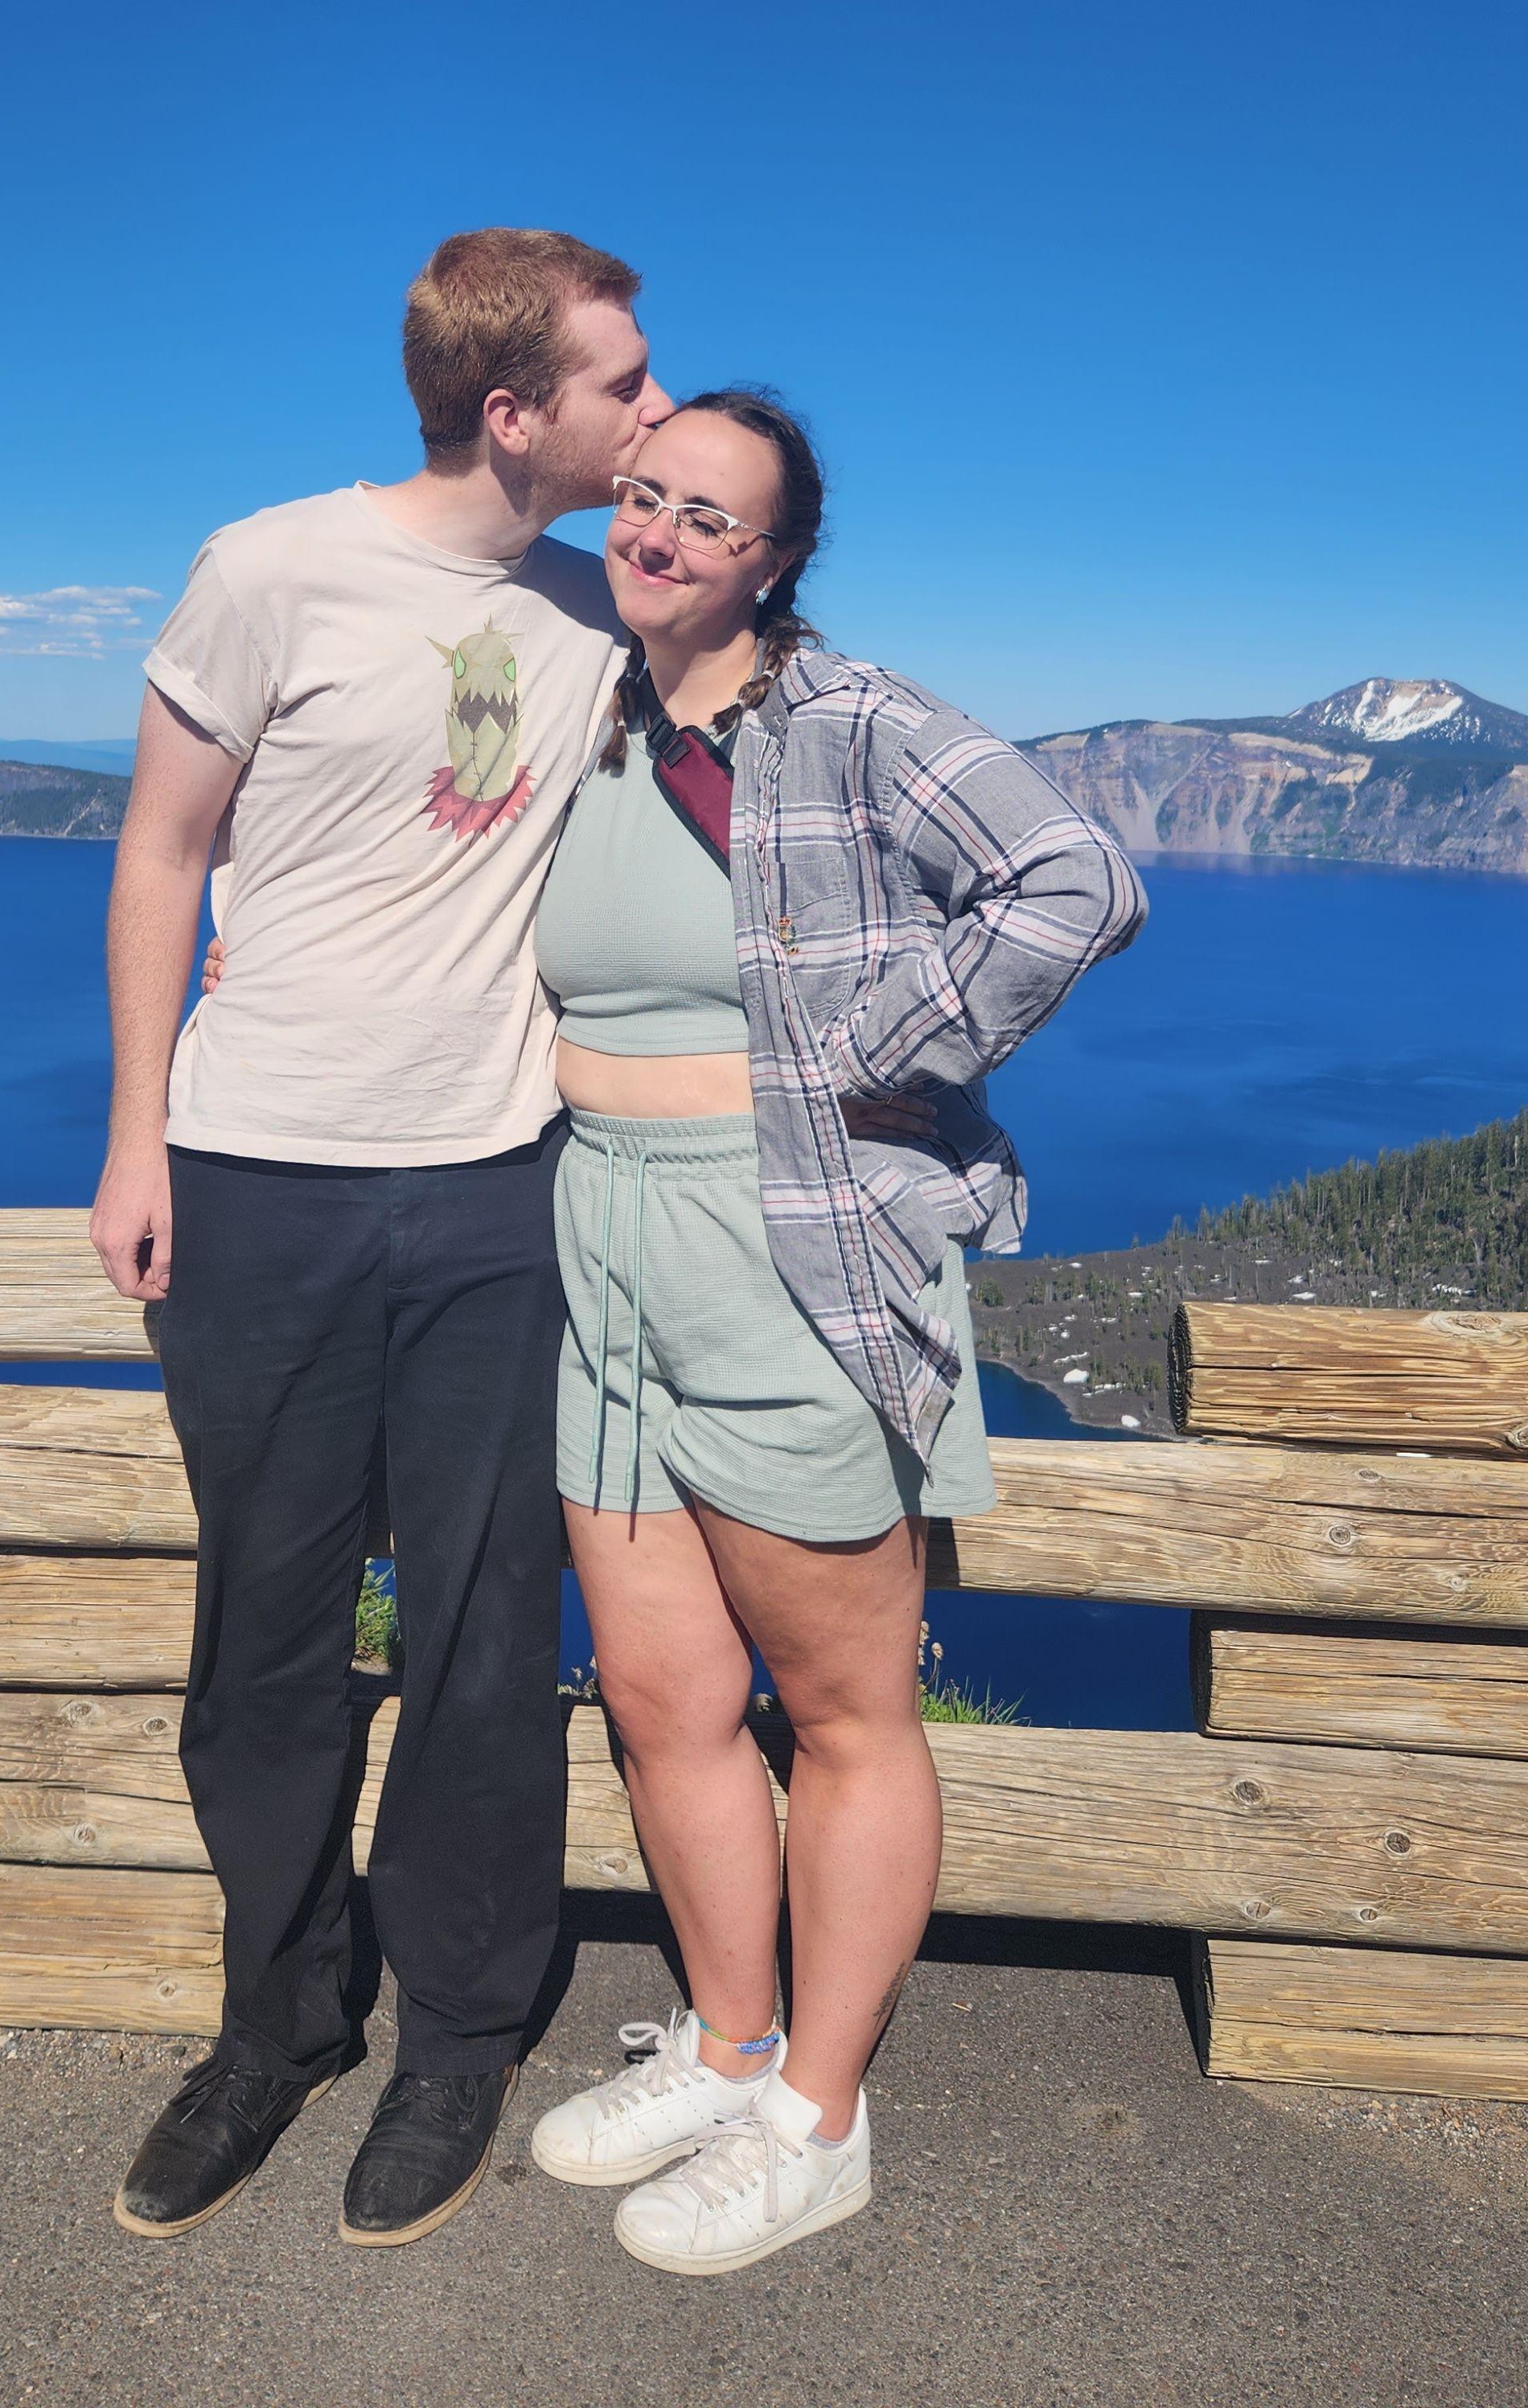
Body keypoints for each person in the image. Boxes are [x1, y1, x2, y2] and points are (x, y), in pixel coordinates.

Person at [517, 387, 1143, 2273]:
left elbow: (1077, 881)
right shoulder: (588, 703)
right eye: (641, 499)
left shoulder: (848, 719)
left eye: (710, 519)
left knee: (846, 1712)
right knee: (659, 1692)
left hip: (784, 1243)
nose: (658, 537)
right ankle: (723, 2045)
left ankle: (820, 2113)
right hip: (596, 1232)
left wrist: (860, 1049)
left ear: (776, 556)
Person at [92, 227, 667, 2248]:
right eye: (621, 383)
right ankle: (275, 2015)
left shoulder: (605, 610)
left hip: (500, 1186)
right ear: (514, 410)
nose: (651, 411)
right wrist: (135, 1132)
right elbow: (164, 845)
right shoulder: (269, 569)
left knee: (486, 1636)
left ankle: (452, 2035)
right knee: (261, 1632)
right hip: (254, 1176)